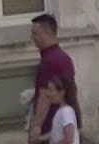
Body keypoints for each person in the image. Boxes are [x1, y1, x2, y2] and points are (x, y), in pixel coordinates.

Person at [28, 14, 78, 143]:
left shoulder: (50, 60)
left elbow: (44, 95)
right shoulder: (63, 58)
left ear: (47, 33)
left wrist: (37, 126)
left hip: (50, 123)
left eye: (35, 33)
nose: (32, 38)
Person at [42, 73, 83, 144]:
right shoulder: (62, 111)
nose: (48, 94)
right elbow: (56, 132)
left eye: (51, 90)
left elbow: (69, 139)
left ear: (62, 92)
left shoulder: (66, 111)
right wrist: (40, 138)